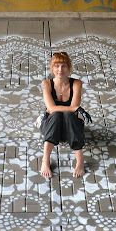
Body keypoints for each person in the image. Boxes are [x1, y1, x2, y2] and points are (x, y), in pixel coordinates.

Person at [40, 51, 85, 179]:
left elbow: (74, 111)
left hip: (71, 129)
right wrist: (73, 108)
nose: (60, 69)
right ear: (52, 68)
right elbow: (51, 108)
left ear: (69, 67)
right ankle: (45, 161)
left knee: (69, 115)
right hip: (51, 128)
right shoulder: (46, 83)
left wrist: (73, 109)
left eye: (64, 66)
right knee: (56, 115)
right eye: (57, 66)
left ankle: (80, 161)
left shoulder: (76, 83)